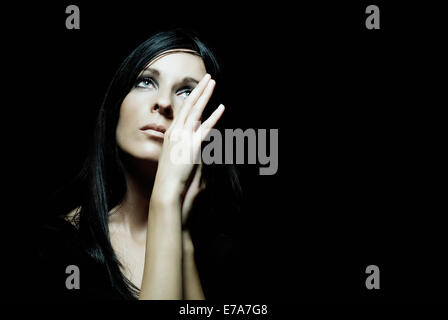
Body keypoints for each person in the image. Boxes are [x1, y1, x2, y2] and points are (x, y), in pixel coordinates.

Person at [34, 29, 242, 300]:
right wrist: (166, 200)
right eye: (145, 82)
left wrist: (180, 231)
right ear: (116, 104)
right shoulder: (56, 246)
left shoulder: (226, 255)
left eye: (187, 92)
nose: (164, 103)